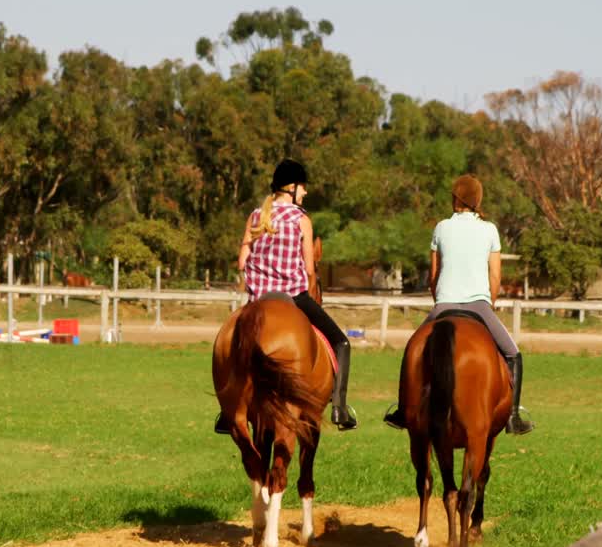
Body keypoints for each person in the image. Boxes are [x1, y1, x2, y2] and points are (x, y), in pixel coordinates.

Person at [214, 159, 358, 433]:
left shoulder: (257, 216)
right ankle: (339, 408)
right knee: (341, 342)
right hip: (294, 294)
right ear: (292, 188)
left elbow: (242, 262)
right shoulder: (301, 220)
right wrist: (310, 287)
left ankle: (227, 411)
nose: (305, 193)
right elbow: (308, 268)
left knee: (230, 345)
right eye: (303, 188)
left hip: (258, 299)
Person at [386, 174, 533, 435]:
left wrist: (440, 301)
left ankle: (401, 411)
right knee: (513, 354)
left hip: (444, 305)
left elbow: (434, 276)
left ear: (455, 199)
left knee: (412, 350)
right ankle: (512, 416)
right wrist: (490, 305)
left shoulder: (441, 227)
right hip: (479, 305)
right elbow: (495, 277)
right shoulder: (490, 230)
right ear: (477, 200)